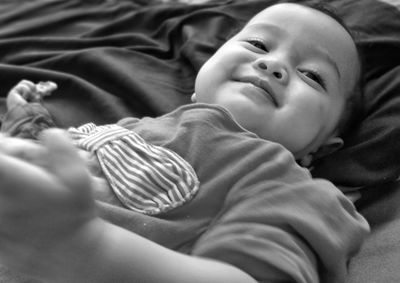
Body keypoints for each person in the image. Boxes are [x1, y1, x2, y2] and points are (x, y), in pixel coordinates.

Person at [0, 2, 369, 283]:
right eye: (258, 44)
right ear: (200, 80)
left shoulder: (289, 186)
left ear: (321, 148)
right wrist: (29, 125)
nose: (274, 65)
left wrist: (82, 246)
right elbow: (58, 171)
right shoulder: (135, 127)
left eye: (313, 75)